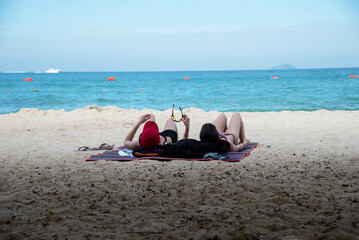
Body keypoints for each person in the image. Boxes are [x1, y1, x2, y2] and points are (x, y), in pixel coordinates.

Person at [124, 113, 190, 150]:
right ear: (160, 140)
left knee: (151, 115)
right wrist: (187, 127)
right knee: (170, 120)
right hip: (168, 136)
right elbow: (184, 144)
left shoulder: (137, 144)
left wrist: (139, 123)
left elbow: (126, 141)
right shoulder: (167, 144)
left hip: (151, 136)